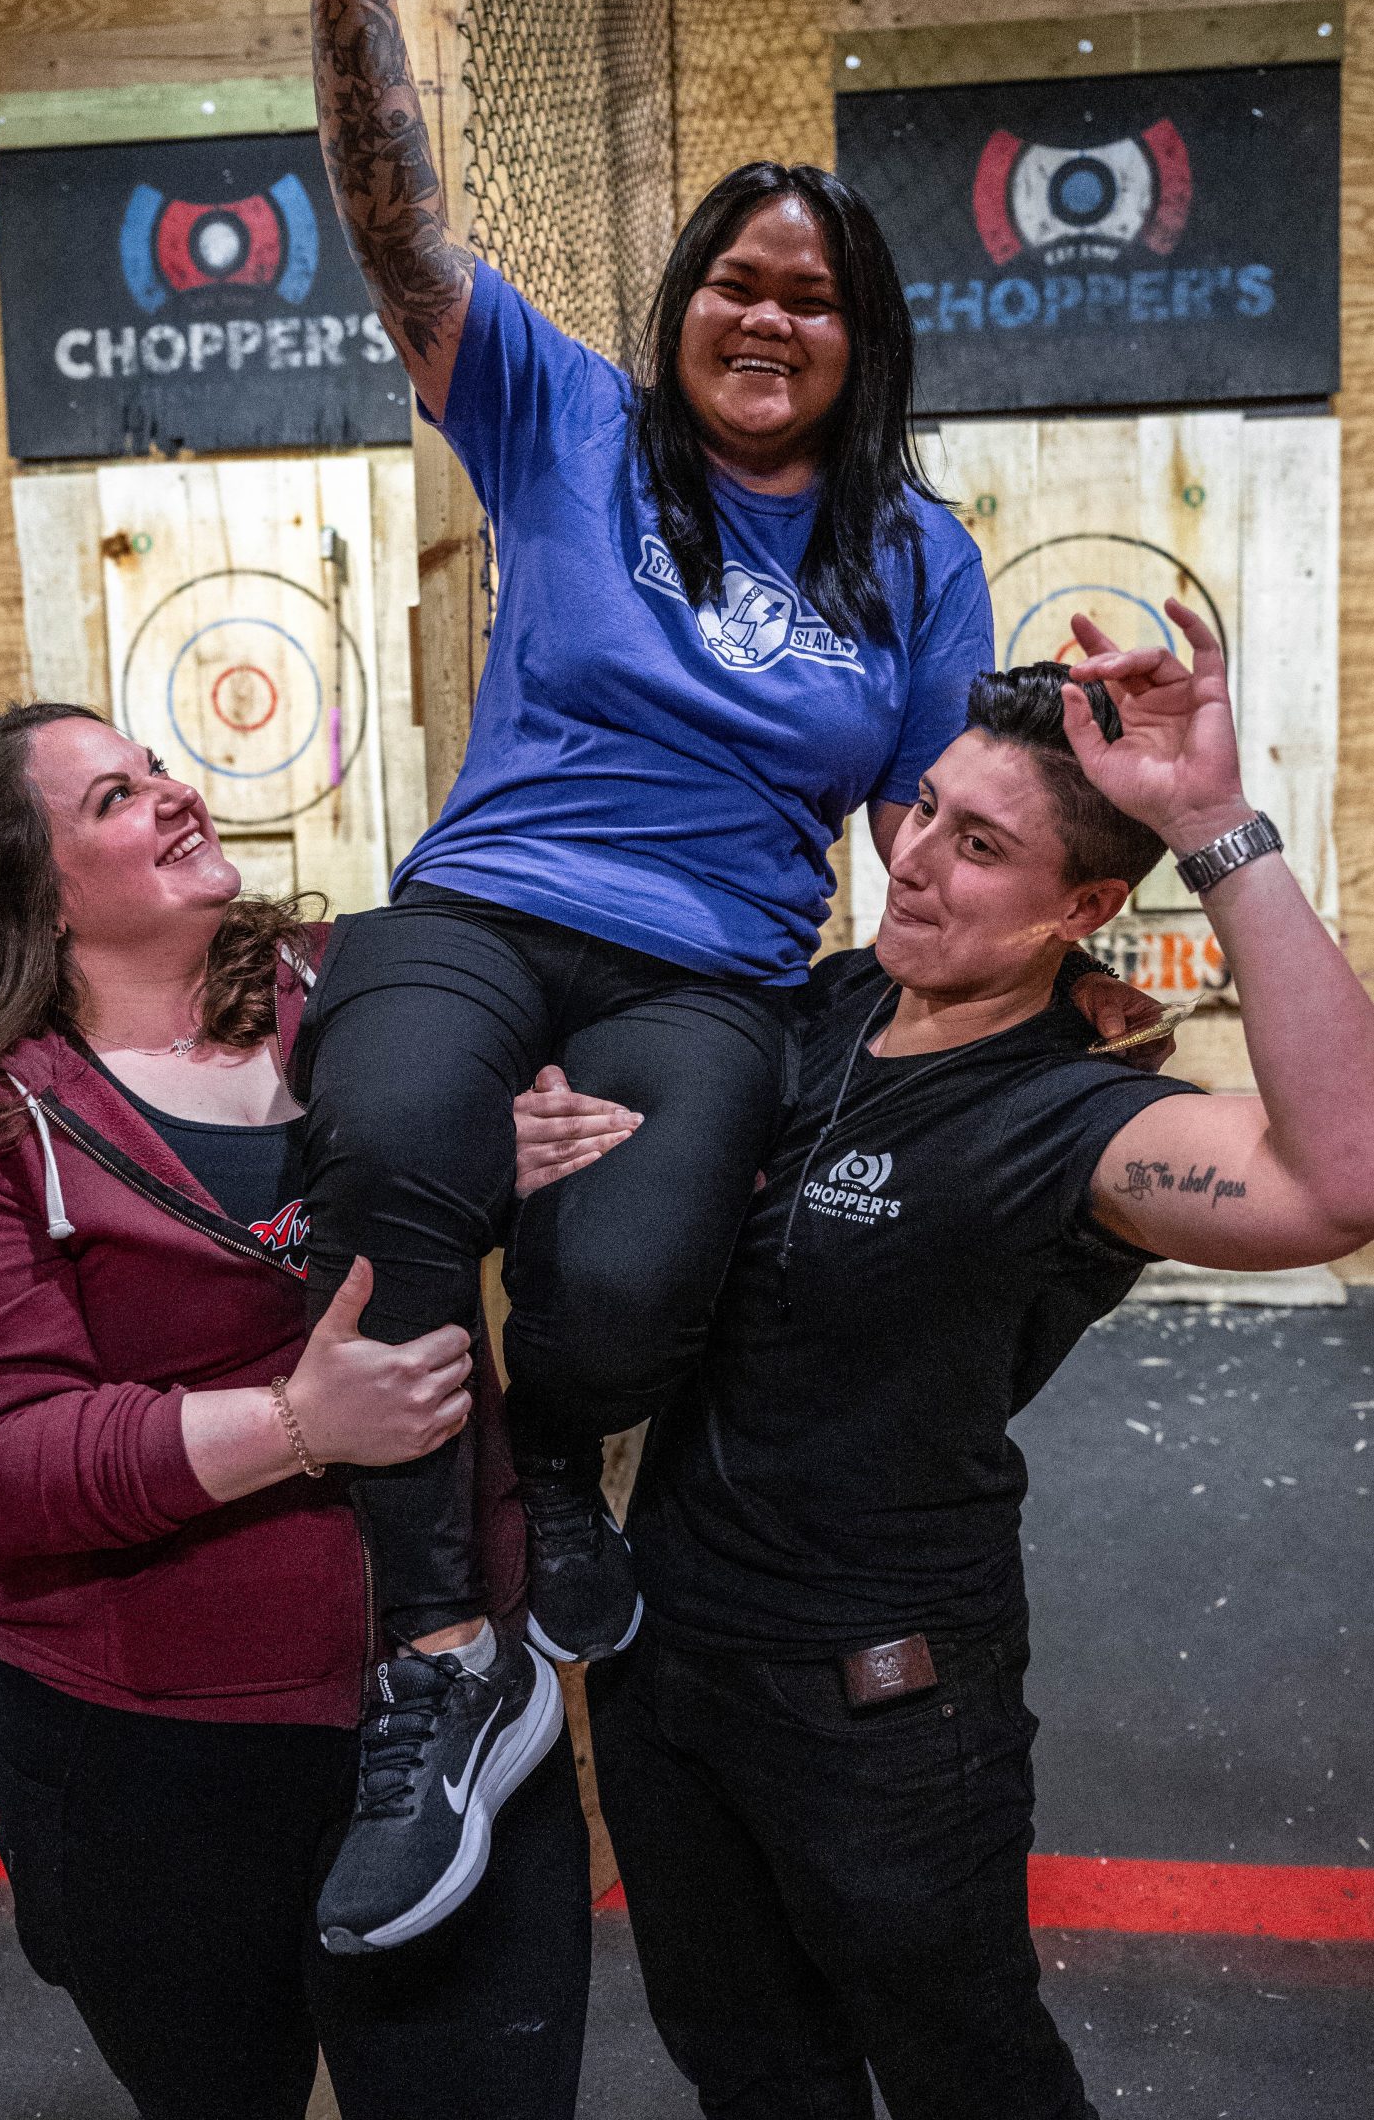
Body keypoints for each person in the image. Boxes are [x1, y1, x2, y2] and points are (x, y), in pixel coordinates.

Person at [272, 0, 999, 1953]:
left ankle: (558, 1452)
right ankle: (442, 1659)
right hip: (489, 902)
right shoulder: (567, 416)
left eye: (813, 296)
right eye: (734, 282)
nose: (766, 316)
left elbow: (932, 823)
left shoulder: (916, 557)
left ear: (862, 342)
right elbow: (394, 220)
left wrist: (1102, 863)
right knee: (394, 1127)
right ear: (681, 304)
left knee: (631, 1278)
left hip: (714, 961)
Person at [520, 601, 1374, 2120]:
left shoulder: (1076, 1117)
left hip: (882, 1702)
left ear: (1081, 908)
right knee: (746, 2068)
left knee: (967, 2074)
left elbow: (1340, 1181)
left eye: (980, 847)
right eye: (922, 809)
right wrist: (546, 1136)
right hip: (667, 1658)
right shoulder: (817, 1007)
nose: (912, 858)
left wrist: (1216, 826)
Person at [0, 705, 591, 2120]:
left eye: (154, 767)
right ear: (32, 893)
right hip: (156, 1756)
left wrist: (482, 1150)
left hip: (450, 1717)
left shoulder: (352, 1001)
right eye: (115, 798)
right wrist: (298, 1424)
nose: (175, 793)